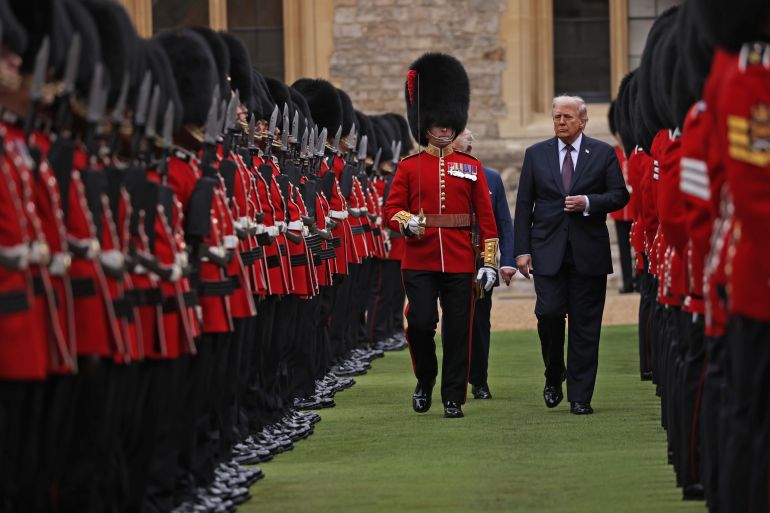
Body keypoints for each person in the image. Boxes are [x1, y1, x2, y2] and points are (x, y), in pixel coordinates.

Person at [384, 52, 498, 419]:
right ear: (425, 123)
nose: (444, 129)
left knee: (459, 331)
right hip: (420, 257)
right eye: (436, 123)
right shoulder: (409, 166)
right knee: (419, 323)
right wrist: (406, 222)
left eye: (449, 123)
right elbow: (390, 209)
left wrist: (490, 263)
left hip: (461, 258)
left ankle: (453, 396)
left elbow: (486, 220)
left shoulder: (471, 167)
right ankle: (425, 379)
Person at [513, 96, 629, 415]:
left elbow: (620, 195)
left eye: (567, 117)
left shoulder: (603, 153)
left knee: (585, 326)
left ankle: (580, 396)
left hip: (587, 252)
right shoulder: (536, 155)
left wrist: (589, 202)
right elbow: (524, 206)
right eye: (556, 117)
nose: (560, 122)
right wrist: (521, 250)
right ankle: (554, 373)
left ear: (583, 121)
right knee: (548, 314)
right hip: (547, 250)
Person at [450, 129, 515, 400]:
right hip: (452, 255)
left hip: (480, 257)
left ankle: (479, 379)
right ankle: (454, 381)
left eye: (468, 150)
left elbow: (504, 223)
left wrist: (507, 261)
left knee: (480, 322)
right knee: (455, 321)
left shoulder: (490, 178)